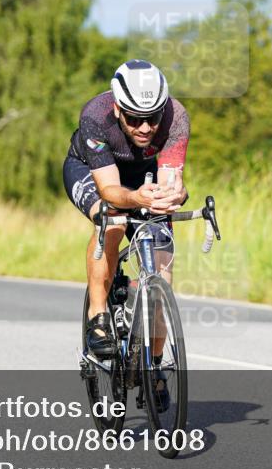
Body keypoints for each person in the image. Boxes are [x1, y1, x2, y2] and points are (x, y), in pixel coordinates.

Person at [63, 59, 190, 361]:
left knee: (162, 280)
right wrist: (137, 200)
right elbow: (110, 191)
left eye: (153, 118)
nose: (145, 128)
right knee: (113, 221)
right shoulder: (95, 117)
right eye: (134, 119)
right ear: (118, 109)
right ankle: (98, 317)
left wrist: (175, 193)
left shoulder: (178, 117)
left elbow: (171, 180)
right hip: (93, 171)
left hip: (140, 174)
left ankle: (155, 366)